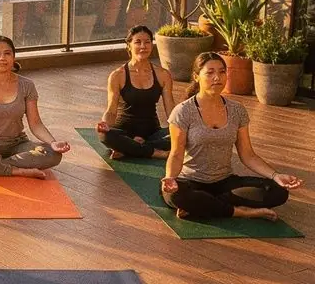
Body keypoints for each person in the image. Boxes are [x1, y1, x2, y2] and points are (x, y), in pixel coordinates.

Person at [161, 51, 302, 221]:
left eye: (222, 72)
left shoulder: (237, 110)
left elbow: (248, 155)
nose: (217, 77)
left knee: (278, 191)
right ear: (196, 77)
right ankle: (242, 211)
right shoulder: (183, 112)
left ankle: (204, 206)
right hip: (191, 182)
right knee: (177, 196)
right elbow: (176, 154)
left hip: (224, 183)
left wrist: (276, 175)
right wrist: (170, 178)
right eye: (210, 72)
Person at [0, 35, 70, 176]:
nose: (2, 58)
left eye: (7, 53)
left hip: (17, 144)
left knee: (53, 154)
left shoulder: (27, 85)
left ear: (13, 58)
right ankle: (17, 170)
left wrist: (53, 142)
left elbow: (35, 123)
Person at [97, 25, 174, 159]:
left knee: (181, 133)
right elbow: (111, 111)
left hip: (152, 132)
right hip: (124, 131)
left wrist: (181, 128)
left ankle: (129, 148)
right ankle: (154, 152)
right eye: (138, 42)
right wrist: (105, 125)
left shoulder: (163, 74)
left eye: (147, 42)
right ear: (129, 45)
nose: (143, 46)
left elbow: (171, 111)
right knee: (105, 135)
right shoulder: (117, 75)